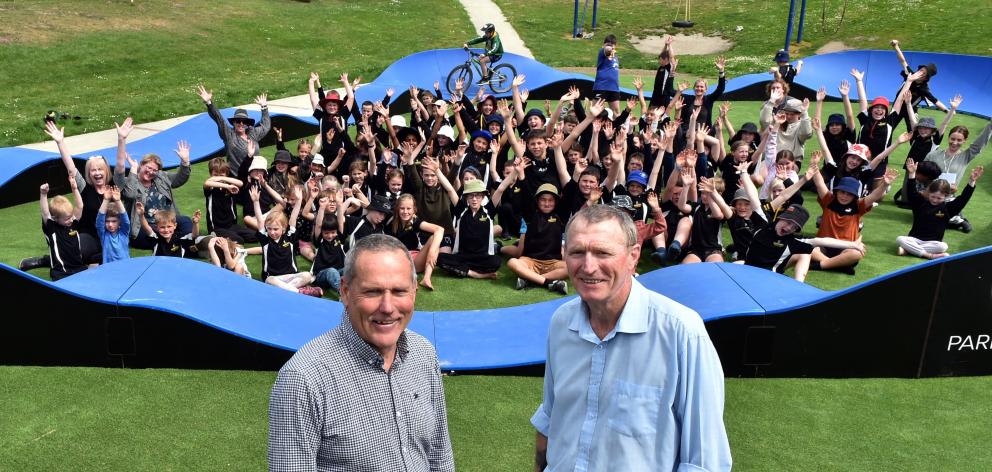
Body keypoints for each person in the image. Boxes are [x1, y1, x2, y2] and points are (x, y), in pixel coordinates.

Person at [531, 205, 731, 471]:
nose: (588, 267)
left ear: (633, 256)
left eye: (603, 252)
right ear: (564, 254)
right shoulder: (561, 322)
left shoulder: (681, 333)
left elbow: (705, 461)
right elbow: (551, 416)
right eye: (578, 252)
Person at [268, 234, 455, 471]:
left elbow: (439, 453)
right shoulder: (303, 379)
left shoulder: (424, 354)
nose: (387, 307)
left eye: (399, 291)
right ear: (345, 292)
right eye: (372, 292)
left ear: (414, 292)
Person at [113, 119, 193, 249]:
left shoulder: (161, 177)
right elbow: (130, 193)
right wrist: (122, 140)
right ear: (141, 165)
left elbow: (180, 179)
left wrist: (185, 162)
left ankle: (170, 239)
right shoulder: (129, 181)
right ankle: (173, 241)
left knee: (185, 221)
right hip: (143, 226)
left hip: (166, 222)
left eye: (154, 170)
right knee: (144, 238)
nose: (151, 172)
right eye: (148, 168)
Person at [897, 160, 983, 259]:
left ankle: (909, 250)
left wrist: (971, 181)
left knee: (943, 246)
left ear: (945, 196)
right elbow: (911, 192)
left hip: (933, 243)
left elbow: (963, 199)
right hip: (914, 239)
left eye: (939, 198)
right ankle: (929, 255)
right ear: (928, 193)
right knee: (900, 239)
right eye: (933, 196)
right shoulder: (920, 203)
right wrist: (912, 173)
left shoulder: (948, 208)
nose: (935, 200)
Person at [197, 85, 271, 191]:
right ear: (234, 122)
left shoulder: (252, 133)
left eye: (244, 121)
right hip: (237, 178)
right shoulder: (229, 135)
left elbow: (266, 126)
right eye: (238, 121)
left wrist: (264, 108)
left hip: (254, 177)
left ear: (247, 123)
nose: (241, 124)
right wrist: (209, 103)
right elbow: (219, 119)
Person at [38, 177, 88, 280]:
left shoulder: (72, 224)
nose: (71, 220)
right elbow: (45, 212)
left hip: (79, 268)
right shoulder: (51, 228)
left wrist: (74, 189)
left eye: (71, 216)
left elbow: (80, 206)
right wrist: (43, 194)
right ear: (55, 218)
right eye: (66, 219)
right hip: (61, 272)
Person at [96, 186, 130, 264]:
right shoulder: (104, 235)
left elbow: (125, 219)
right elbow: (99, 220)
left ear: (119, 222)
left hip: (125, 265)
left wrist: (118, 200)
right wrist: (106, 200)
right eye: (107, 221)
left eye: (114, 221)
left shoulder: (123, 233)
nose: (110, 224)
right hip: (108, 268)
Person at [592, 34, 622, 115]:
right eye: (607, 44)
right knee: (595, 112)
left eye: (612, 44)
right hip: (602, 86)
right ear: (604, 44)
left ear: (615, 45)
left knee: (616, 113)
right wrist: (608, 48)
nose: (610, 46)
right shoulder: (602, 51)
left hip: (614, 88)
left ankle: (616, 128)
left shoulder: (615, 56)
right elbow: (607, 51)